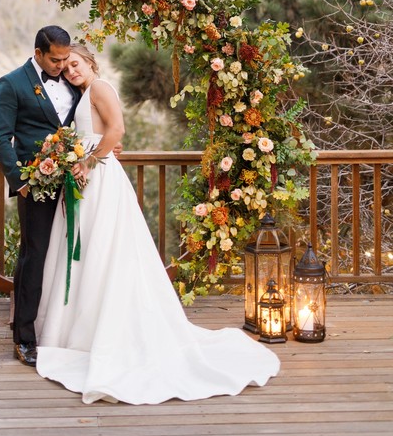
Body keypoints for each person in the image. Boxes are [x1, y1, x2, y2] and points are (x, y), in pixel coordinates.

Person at [35, 43, 281, 405]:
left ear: (90, 63)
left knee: (104, 250)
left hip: (99, 179)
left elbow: (117, 130)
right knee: (91, 251)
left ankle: (102, 332)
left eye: (76, 64)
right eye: (66, 67)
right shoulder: (85, 93)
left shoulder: (100, 88)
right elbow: (103, 135)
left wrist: (88, 162)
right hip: (89, 178)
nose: (71, 71)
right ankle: (81, 328)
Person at [0, 25, 81, 367]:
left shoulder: (73, 80)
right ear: (39, 53)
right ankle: (24, 337)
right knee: (35, 255)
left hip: (74, 181)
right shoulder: (10, 84)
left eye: (65, 59)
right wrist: (21, 181)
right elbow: (0, 138)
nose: (61, 66)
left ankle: (64, 331)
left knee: (71, 253)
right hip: (36, 185)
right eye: (55, 60)